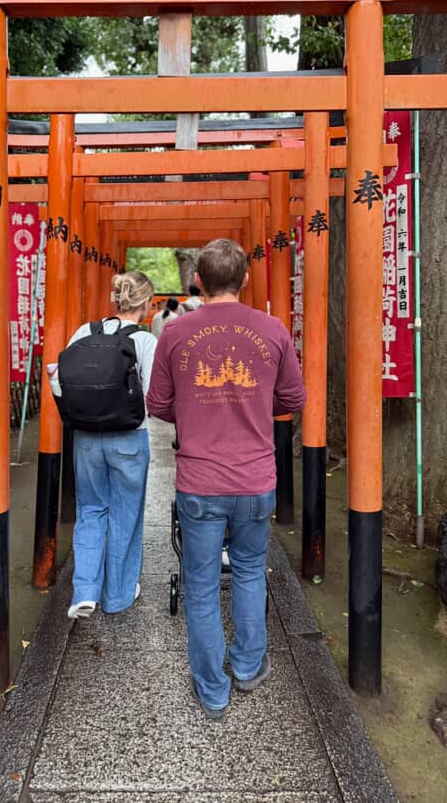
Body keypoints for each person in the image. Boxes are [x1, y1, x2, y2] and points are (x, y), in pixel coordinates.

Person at [147, 239, 306, 720]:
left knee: (199, 584)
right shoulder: (272, 330)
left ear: (198, 281)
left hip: (200, 480)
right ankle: (249, 666)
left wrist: (194, 415)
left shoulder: (176, 331)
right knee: (251, 570)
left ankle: (213, 690)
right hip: (255, 478)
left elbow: (157, 404)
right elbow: (293, 398)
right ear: (246, 279)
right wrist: (254, 406)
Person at [66, 271, 157, 620]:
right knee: (125, 514)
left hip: (86, 438)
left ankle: (84, 592)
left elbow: (63, 379)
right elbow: (152, 396)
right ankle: (117, 595)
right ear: (146, 304)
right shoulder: (145, 341)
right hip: (129, 437)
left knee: (90, 510)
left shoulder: (83, 333)